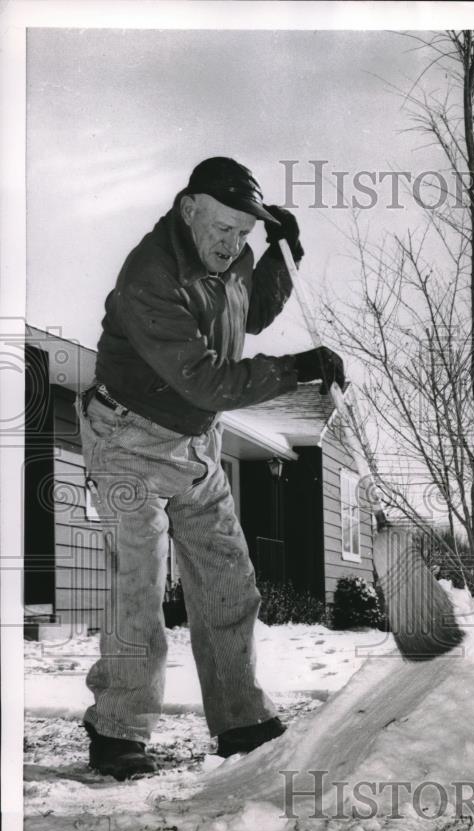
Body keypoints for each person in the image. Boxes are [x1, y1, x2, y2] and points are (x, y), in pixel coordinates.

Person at [76, 156, 344, 780]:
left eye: (244, 233)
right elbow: (205, 380)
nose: (232, 244)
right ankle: (116, 728)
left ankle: (240, 717)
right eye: (224, 228)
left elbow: (248, 314)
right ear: (188, 207)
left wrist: (282, 255)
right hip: (127, 438)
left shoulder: (229, 256)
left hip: (195, 444)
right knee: (138, 585)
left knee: (229, 579)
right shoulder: (150, 277)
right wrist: (294, 368)